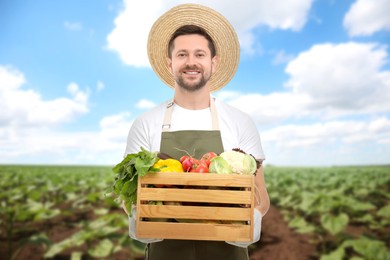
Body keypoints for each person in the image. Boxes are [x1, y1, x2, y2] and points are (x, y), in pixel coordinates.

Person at [123, 3, 270, 260]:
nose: (191, 62)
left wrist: (253, 217)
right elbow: (129, 194)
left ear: (213, 62)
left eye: (199, 54)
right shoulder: (146, 123)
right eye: (182, 55)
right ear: (170, 63)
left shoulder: (240, 121)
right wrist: (137, 217)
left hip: (228, 252)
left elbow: (260, 194)